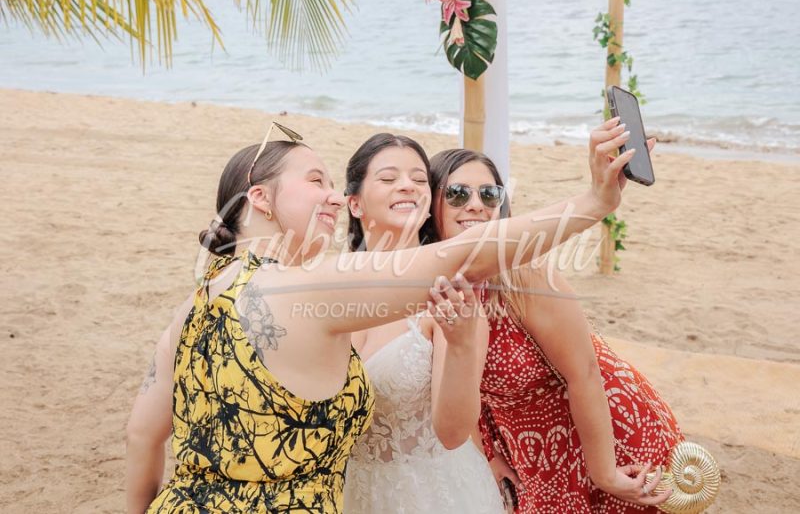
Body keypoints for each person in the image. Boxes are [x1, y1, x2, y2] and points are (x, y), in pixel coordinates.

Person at [125, 117, 634, 513]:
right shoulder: (309, 288)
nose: (329, 194)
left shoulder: (191, 308)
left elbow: (142, 436)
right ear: (259, 197)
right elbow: (469, 252)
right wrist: (593, 201)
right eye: (316, 180)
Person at [426, 144, 682, 513]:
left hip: (605, 436)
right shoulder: (434, 287)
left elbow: (585, 373)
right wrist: (491, 454)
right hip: (531, 449)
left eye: (489, 193)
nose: (476, 204)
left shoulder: (523, 279)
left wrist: (604, 473)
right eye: (456, 193)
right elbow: (464, 386)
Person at [340, 134, 503, 512]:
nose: (407, 186)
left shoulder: (448, 294)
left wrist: (462, 343)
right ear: (354, 203)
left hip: (432, 495)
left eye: (417, 178)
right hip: (349, 490)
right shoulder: (332, 287)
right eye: (388, 178)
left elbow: (451, 432)